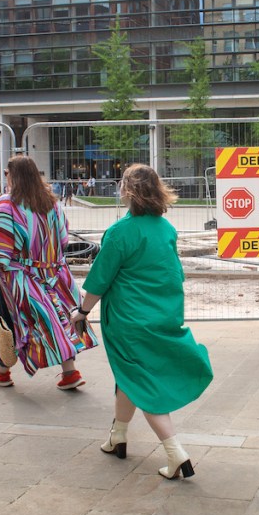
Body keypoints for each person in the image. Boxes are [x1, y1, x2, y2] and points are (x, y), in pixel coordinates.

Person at [70, 164, 213, 480]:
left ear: (128, 190)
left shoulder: (120, 232)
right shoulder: (166, 229)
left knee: (144, 383)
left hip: (127, 320)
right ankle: (118, 436)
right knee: (130, 376)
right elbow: (174, 275)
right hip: (161, 315)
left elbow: (100, 279)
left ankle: (176, 453)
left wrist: (82, 311)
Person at [0, 155, 97, 389]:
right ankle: (69, 372)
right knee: (59, 318)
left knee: (12, 320)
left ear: (13, 176)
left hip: (19, 277)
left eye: (7, 173)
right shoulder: (50, 203)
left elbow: (1, 244)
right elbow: (63, 239)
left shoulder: (7, 204)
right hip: (54, 274)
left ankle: (3, 371)